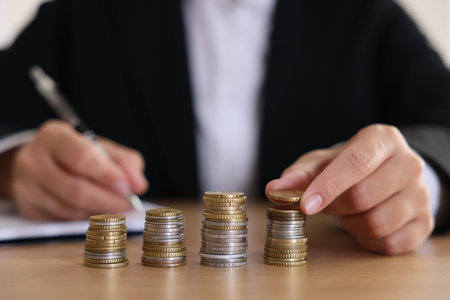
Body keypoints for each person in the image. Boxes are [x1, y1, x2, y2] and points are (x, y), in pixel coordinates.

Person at [0, 0, 449, 255]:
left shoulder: (368, 14)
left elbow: (442, 128)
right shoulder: (82, 13)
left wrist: (422, 177)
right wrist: (14, 162)